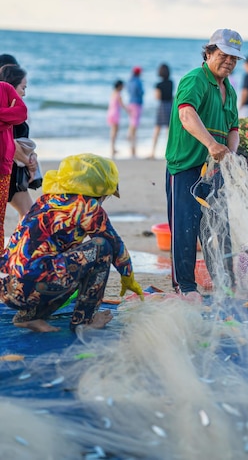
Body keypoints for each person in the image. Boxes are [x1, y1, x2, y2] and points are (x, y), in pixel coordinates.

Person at [0, 153, 144, 333]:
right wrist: (128, 276)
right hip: (33, 285)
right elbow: (114, 245)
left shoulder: (45, 200)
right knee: (102, 248)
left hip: (7, 288)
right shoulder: (86, 206)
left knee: (71, 257)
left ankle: (28, 316)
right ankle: (84, 321)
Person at [165, 28, 245, 297]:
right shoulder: (195, 79)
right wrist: (211, 145)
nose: (229, 62)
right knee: (185, 227)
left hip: (215, 170)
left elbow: (233, 128)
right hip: (187, 165)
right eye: (224, 55)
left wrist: (230, 156)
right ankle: (185, 286)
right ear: (209, 52)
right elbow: (186, 114)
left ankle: (225, 281)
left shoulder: (229, 91)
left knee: (219, 227)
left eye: (234, 59)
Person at [0, 64, 41, 219]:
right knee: (29, 214)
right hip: (10, 174)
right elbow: (12, 143)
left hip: (11, 172)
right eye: (23, 88)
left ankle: (19, 243)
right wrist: (29, 162)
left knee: (27, 213)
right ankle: (21, 243)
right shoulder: (10, 115)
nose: (24, 93)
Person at [0, 80, 27, 250]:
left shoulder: (5, 88)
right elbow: (13, 115)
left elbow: (21, 113)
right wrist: (6, 116)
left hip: (3, 167)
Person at [149, 63, 174, 159]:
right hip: (170, 105)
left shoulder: (158, 85)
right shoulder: (171, 82)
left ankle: (153, 152)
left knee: (157, 129)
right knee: (169, 131)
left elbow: (157, 97)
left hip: (162, 105)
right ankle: (170, 152)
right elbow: (171, 95)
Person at [107, 79, 128, 159]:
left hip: (110, 113)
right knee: (115, 131)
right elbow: (122, 105)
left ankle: (113, 148)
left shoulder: (112, 93)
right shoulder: (118, 94)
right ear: (119, 86)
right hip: (115, 114)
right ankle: (112, 148)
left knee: (113, 130)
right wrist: (128, 110)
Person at [127, 66, 144, 157]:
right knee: (135, 122)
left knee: (132, 120)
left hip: (130, 102)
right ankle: (132, 136)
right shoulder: (138, 81)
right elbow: (141, 92)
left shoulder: (130, 81)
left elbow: (128, 91)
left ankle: (130, 135)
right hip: (137, 102)